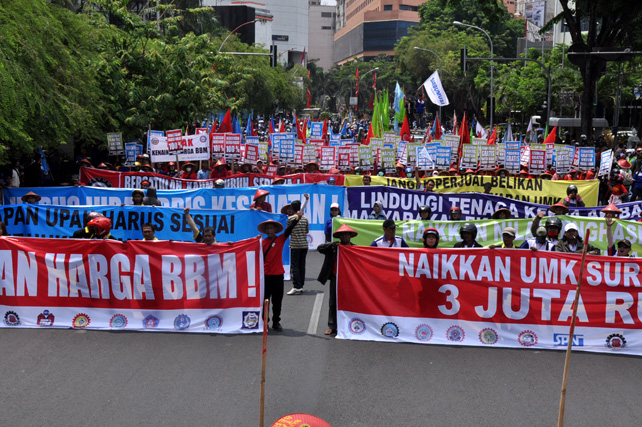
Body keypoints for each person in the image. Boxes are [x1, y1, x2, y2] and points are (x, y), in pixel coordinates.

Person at [259, 212, 303, 331]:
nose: (269, 230)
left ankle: (276, 321)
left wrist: (297, 218)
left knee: (277, 301)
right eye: (267, 228)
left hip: (278, 275)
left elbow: (289, 230)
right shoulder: (261, 243)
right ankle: (265, 322)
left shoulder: (281, 239)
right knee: (265, 301)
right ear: (265, 230)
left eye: (271, 228)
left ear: (275, 229)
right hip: (265, 276)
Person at [317, 224, 358, 336]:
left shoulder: (355, 249)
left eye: (346, 234)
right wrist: (331, 244)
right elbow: (319, 248)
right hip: (336, 277)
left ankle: (350, 323)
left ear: (350, 236)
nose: (344, 236)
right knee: (333, 302)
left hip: (350, 279)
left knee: (350, 301)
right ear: (339, 237)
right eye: (342, 234)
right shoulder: (334, 248)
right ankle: (333, 326)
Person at [286, 199, 310, 295]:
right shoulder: (305, 219)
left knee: (295, 266)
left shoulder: (290, 219)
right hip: (304, 245)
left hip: (295, 245)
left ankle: (296, 286)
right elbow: (307, 231)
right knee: (301, 266)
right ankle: (301, 285)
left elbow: (288, 231)